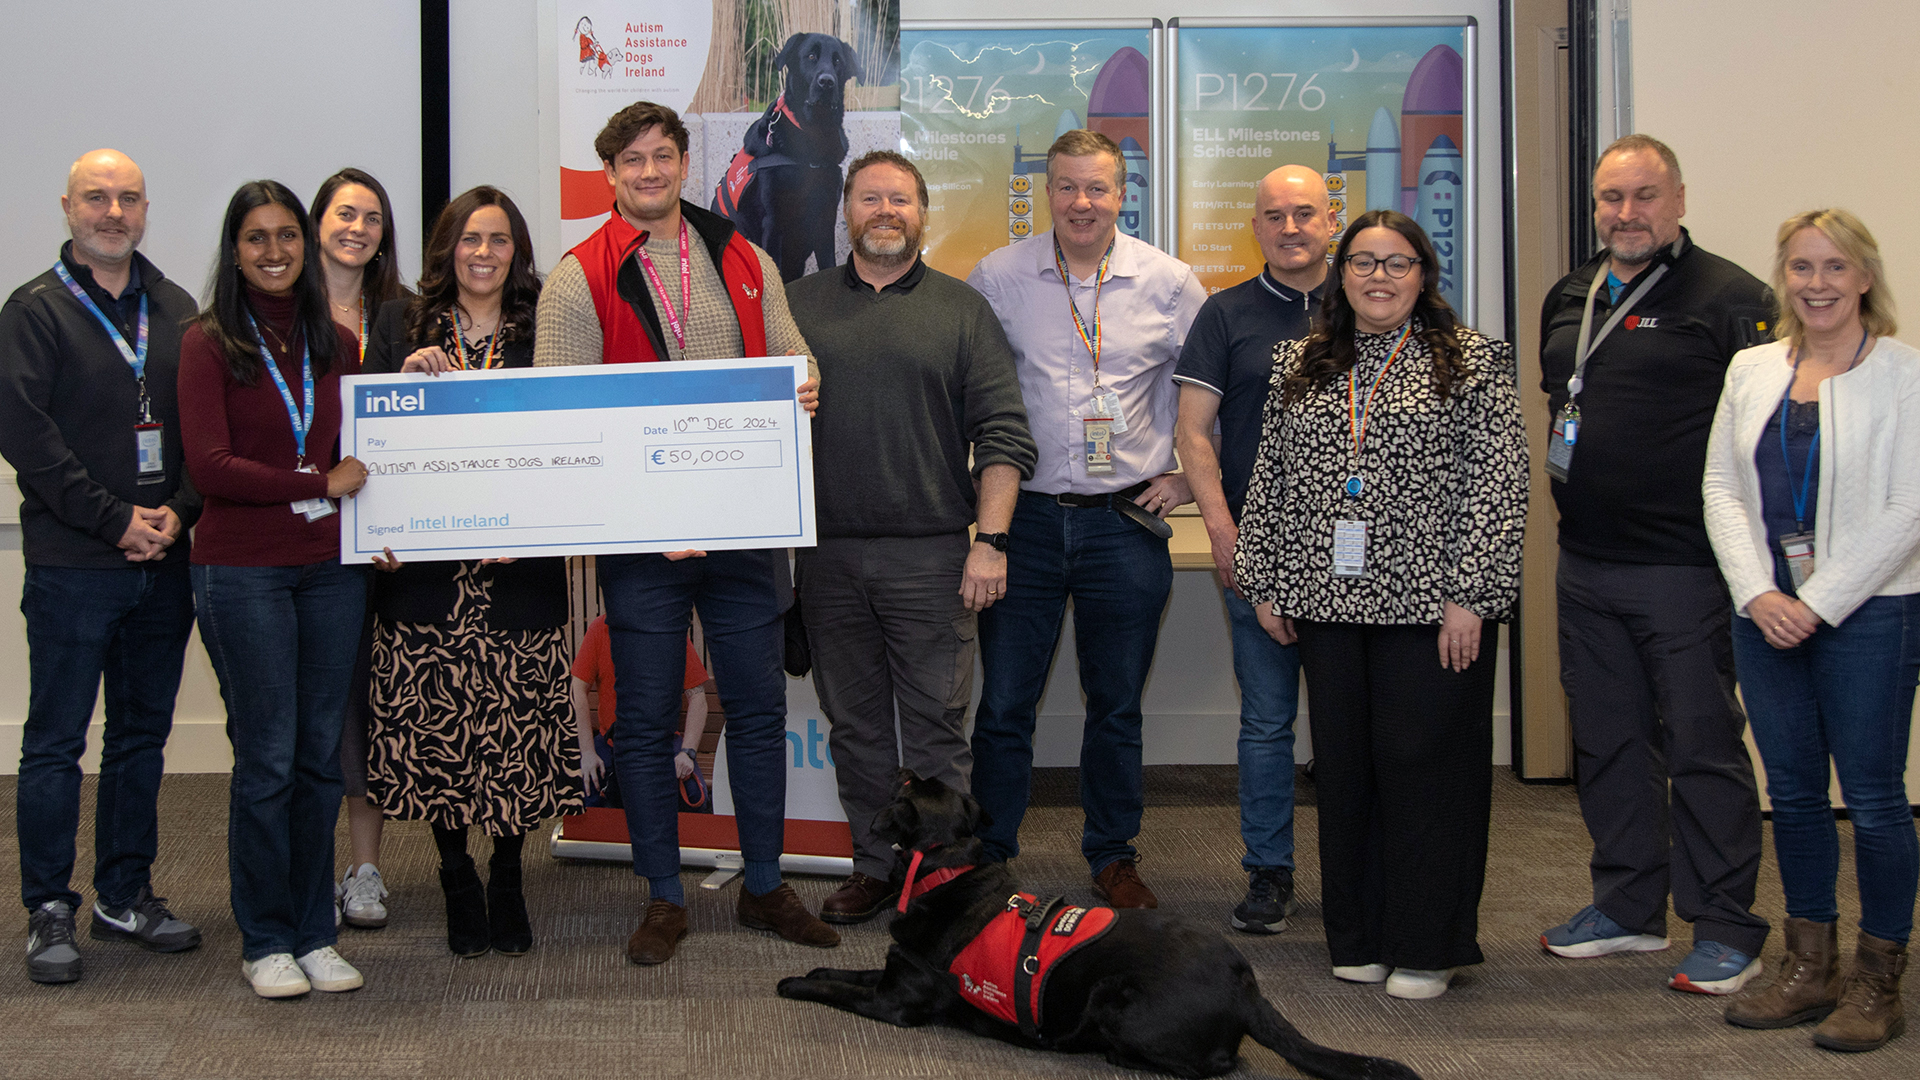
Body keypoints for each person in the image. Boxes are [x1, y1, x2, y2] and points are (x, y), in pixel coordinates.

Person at [534, 100, 831, 965]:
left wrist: (804, 382)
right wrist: (643, 517)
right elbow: (568, 419)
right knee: (648, 718)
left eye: (664, 156)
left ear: (683, 160)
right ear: (612, 174)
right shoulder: (577, 275)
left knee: (760, 706)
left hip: (742, 527)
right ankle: (664, 896)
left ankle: (766, 885)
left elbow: (792, 351)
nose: (651, 172)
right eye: (633, 161)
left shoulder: (741, 253)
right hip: (642, 544)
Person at [1234, 209, 1526, 1000]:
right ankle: (1357, 934)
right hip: (1327, 604)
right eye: (1363, 263)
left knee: (1425, 771)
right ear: (1342, 274)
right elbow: (1271, 479)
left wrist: (1474, 594)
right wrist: (1267, 580)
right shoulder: (1301, 361)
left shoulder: (1471, 361)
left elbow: (1498, 486)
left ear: (1424, 275)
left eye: (1397, 264)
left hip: (1433, 609)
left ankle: (1428, 944)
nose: (1378, 278)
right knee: (1347, 773)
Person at [1537, 135, 1775, 995]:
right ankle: (1629, 907)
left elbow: (1762, 438)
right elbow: (1563, 402)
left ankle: (1726, 925)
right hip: (1585, 560)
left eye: (1643, 196)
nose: (1625, 214)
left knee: (1702, 747)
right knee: (1608, 742)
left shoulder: (1733, 297)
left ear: (1677, 199)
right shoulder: (1573, 292)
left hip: (1686, 569)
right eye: (1611, 198)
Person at [785, 150, 1036, 923]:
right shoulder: (794, 306)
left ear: (922, 214)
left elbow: (1003, 434)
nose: (884, 211)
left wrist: (989, 542)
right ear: (846, 213)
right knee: (856, 727)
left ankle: (947, 882)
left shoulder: (964, 312)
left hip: (932, 556)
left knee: (934, 734)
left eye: (900, 199)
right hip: (824, 558)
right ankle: (874, 866)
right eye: (869, 198)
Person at [965, 130, 1204, 909]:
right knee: (1004, 704)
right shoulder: (998, 279)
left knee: (1117, 705)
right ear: (1047, 193)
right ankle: (991, 853)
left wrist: (1184, 480)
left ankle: (1112, 855)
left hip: (1122, 526)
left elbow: (1212, 398)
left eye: (1096, 188)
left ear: (1121, 193)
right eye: (1066, 187)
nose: (1081, 203)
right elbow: (969, 397)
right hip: (1024, 524)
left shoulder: (1169, 285)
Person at [1703, 209, 1920, 1052]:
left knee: (1871, 799)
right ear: (1783, 277)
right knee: (1790, 794)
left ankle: (1876, 979)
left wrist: (1817, 601)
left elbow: (1908, 509)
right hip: (1764, 615)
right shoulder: (1752, 368)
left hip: (1872, 613)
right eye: (1801, 267)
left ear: (1865, 277)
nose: (1817, 284)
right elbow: (1721, 490)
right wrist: (1759, 593)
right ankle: (1809, 965)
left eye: (1835, 267)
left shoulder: (1903, 375)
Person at [359, 186, 588, 958]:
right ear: (446, 249)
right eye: (468, 239)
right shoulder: (398, 324)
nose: (482, 254)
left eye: (497, 240)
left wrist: (534, 529)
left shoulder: (545, 330)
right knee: (440, 738)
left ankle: (508, 873)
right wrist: (406, 381)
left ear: (516, 252)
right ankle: (456, 873)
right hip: (429, 579)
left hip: (516, 577)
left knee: (515, 736)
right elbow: (364, 443)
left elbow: (569, 445)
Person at [0, 149, 203, 984]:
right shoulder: (33, 312)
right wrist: (116, 520)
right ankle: (50, 906)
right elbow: (27, 440)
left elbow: (202, 427)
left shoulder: (178, 307)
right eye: (96, 198)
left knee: (140, 738)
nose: (113, 212)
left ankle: (124, 892)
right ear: (68, 207)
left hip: (164, 561)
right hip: (74, 565)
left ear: (147, 209)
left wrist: (177, 514)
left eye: (127, 199)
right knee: (54, 743)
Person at [178, 180, 369, 998]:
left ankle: (314, 933)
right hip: (242, 570)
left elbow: (367, 454)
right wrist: (319, 480)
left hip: (329, 569)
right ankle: (265, 939)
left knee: (319, 756)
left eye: (287, 235)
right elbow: (210, 467)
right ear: (234, 249)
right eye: (256, 238)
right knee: (267, 759)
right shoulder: (207, 342)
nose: (275, 251)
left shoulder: (336, 344)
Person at [1173, 164, 1334, 934]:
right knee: (1267, 722)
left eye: (1305, 213)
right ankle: (1269, 873)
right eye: (1275, 215)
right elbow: (1192, 431)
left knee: (1352, 723)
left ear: (1331, 219)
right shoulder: (1225, 313)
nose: (1291, 227)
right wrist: (1223, 532)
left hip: (1359, 562)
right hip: (1258, 549)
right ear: (1257, 227)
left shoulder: (1374, 302)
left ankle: (1360, 867)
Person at [310, 166, 406, 931]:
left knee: (369, 710)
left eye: (372, 217)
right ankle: (306, 867)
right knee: (322, 709)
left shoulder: (405, 315)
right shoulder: (278, 315)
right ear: (318, 222)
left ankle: (365, 868)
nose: (358, 228)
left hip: (391, 544)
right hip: (303, 533)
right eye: (345, 214)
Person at [572, 616, 711, 810]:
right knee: (580, 789)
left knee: (695, 796)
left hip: (662, 743)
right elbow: (577, 690)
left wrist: (687, 752)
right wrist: (587, 752)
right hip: (611, 743)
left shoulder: (669, 630)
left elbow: (698, 697)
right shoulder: (599, 629)